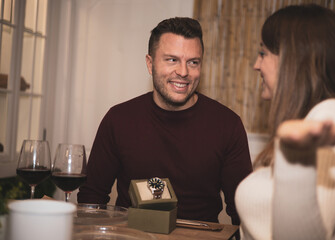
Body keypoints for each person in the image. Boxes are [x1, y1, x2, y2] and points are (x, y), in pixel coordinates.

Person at [78, 17, 252, 225]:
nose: (183, 72)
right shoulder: (118, 119)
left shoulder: (227, 125)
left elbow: (243, 213)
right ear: (150, 64)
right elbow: (92, 199)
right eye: (172, 60)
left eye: (193, 62)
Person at [235, 4, 335, 240]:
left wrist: (295, 159)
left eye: (263, 53)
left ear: (294, 59)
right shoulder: (312, 119)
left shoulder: (333, 115)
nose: (256, 65)